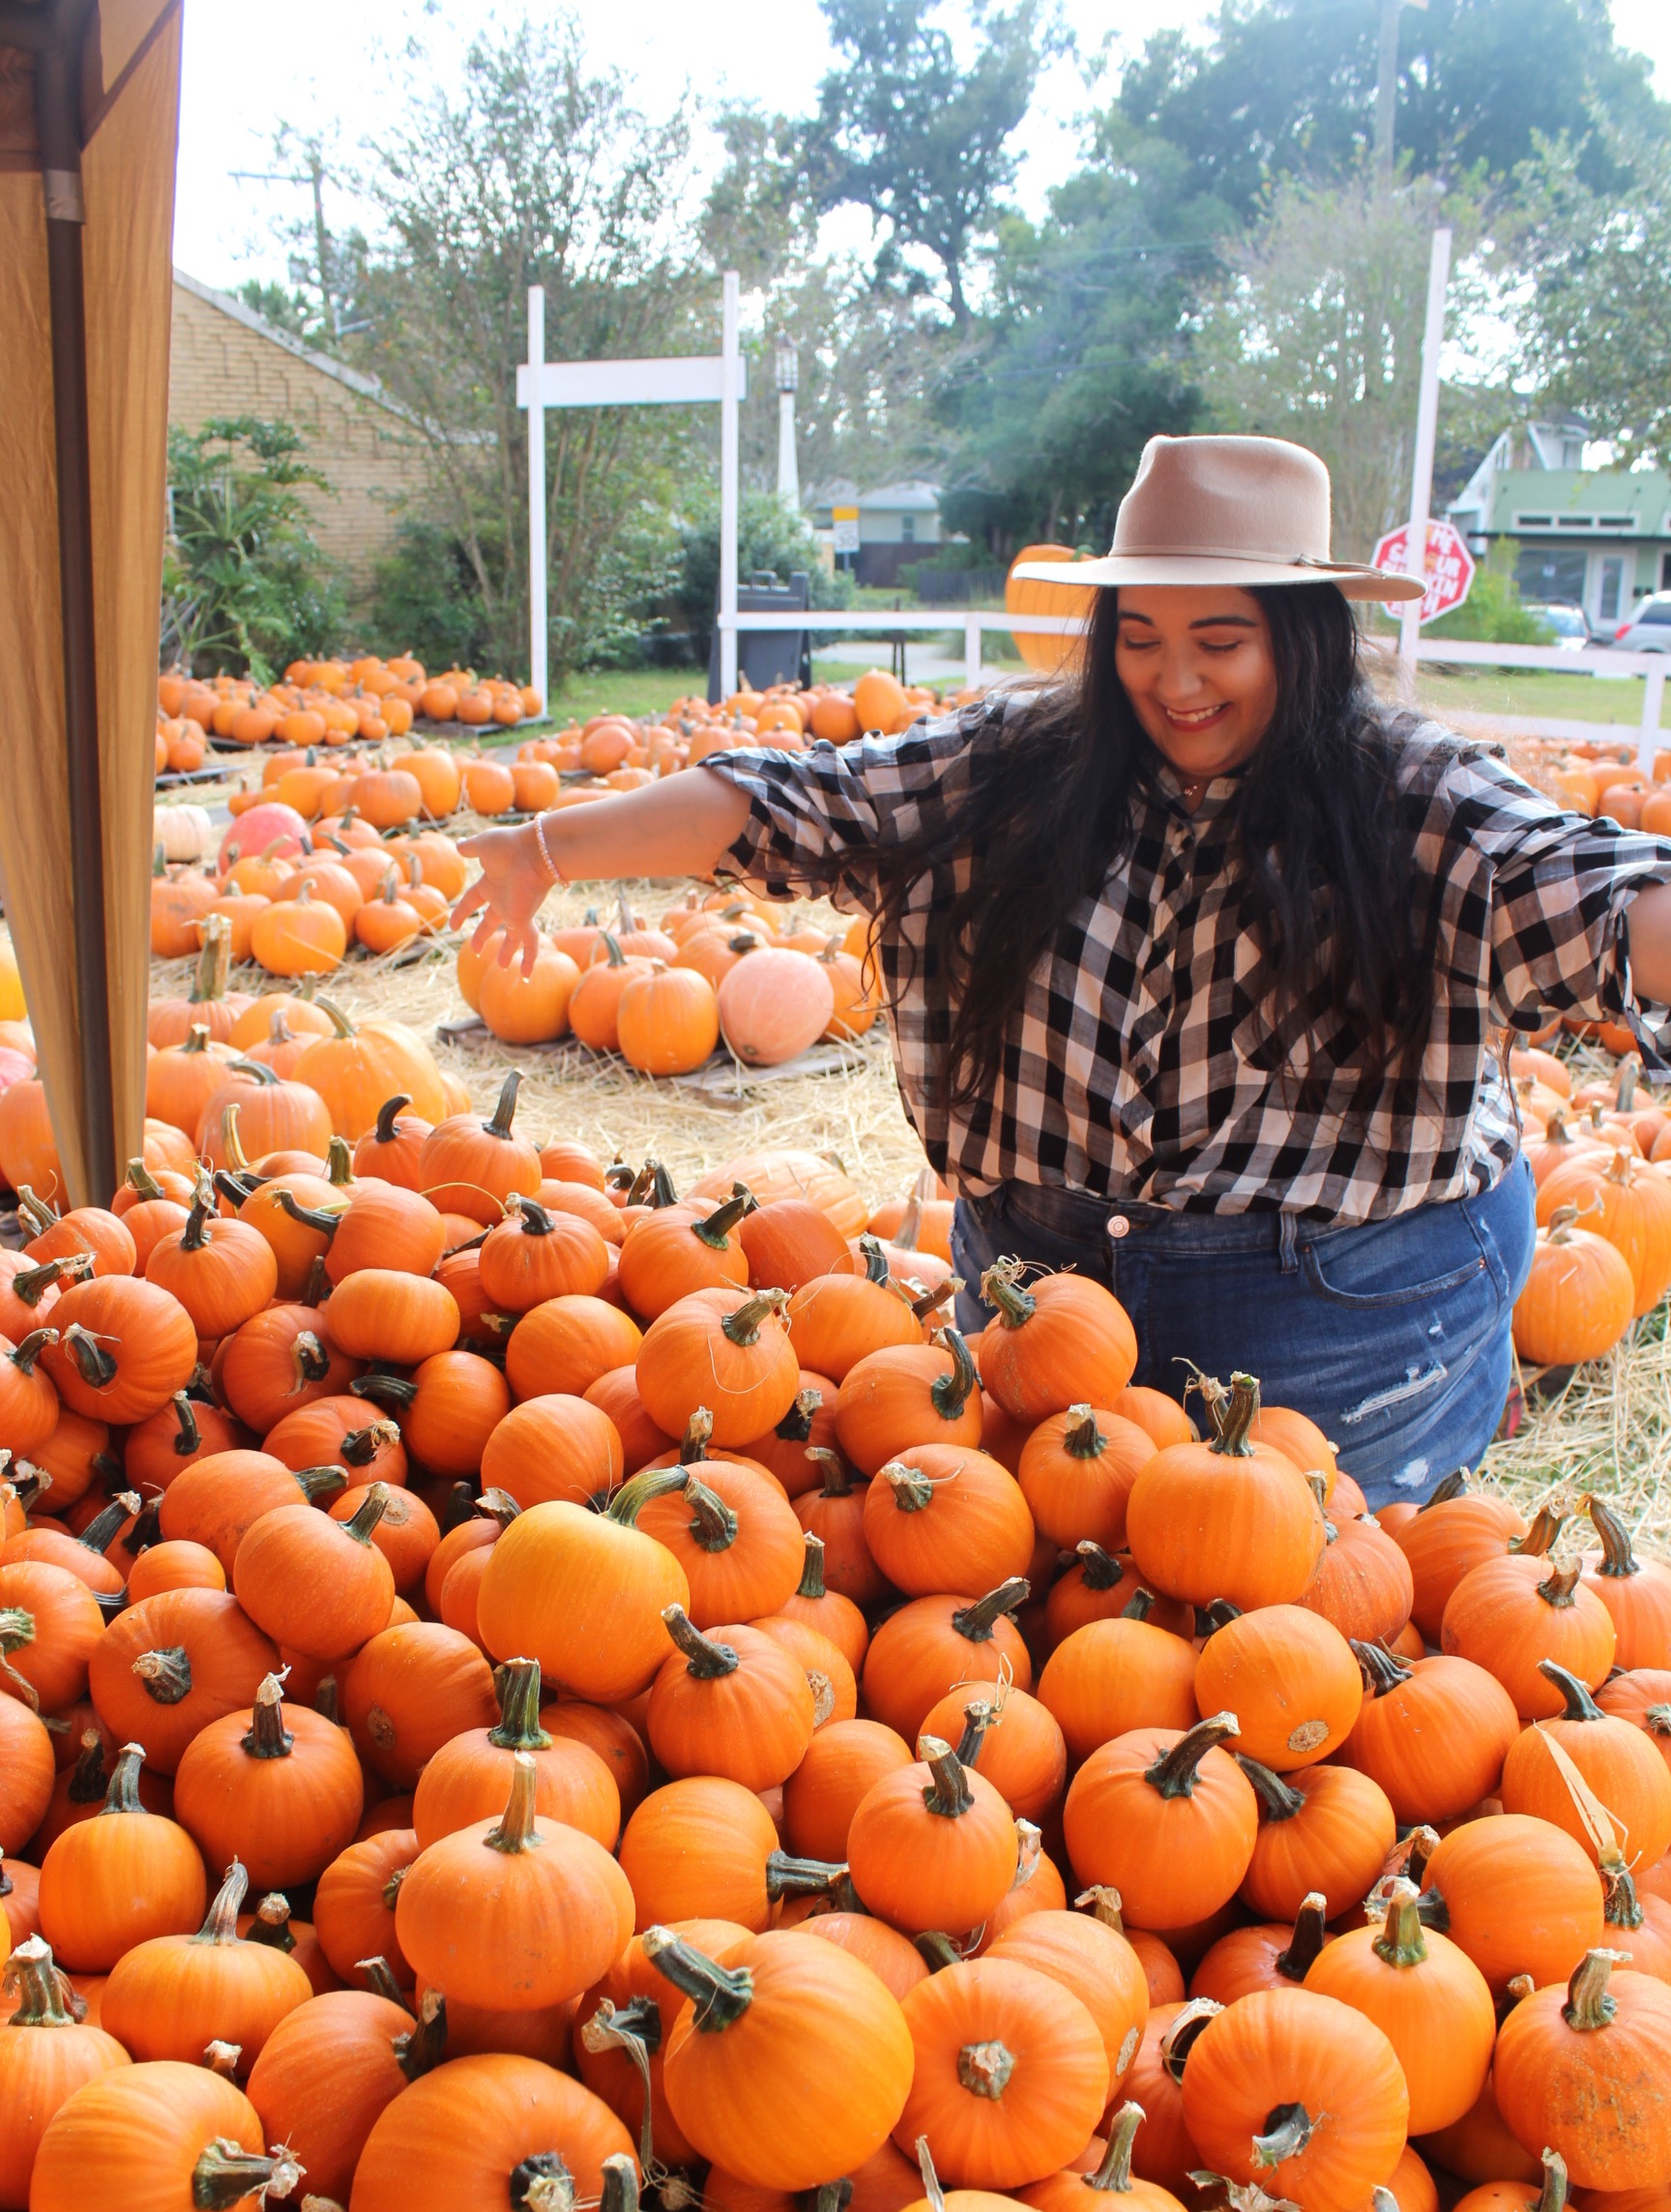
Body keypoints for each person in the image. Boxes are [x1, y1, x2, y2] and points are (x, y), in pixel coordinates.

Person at [454, 434, 1671, 1506]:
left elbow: (1586, 894)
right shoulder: (1019, 761)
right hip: (1038, 1288)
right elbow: (797, 801)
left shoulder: (1418, 795)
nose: (1174, 680)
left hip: (1326, 1319)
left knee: (1305, 1632)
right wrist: (547, 845)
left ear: (1301, 640)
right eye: (1139, 637)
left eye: (1220, 641)